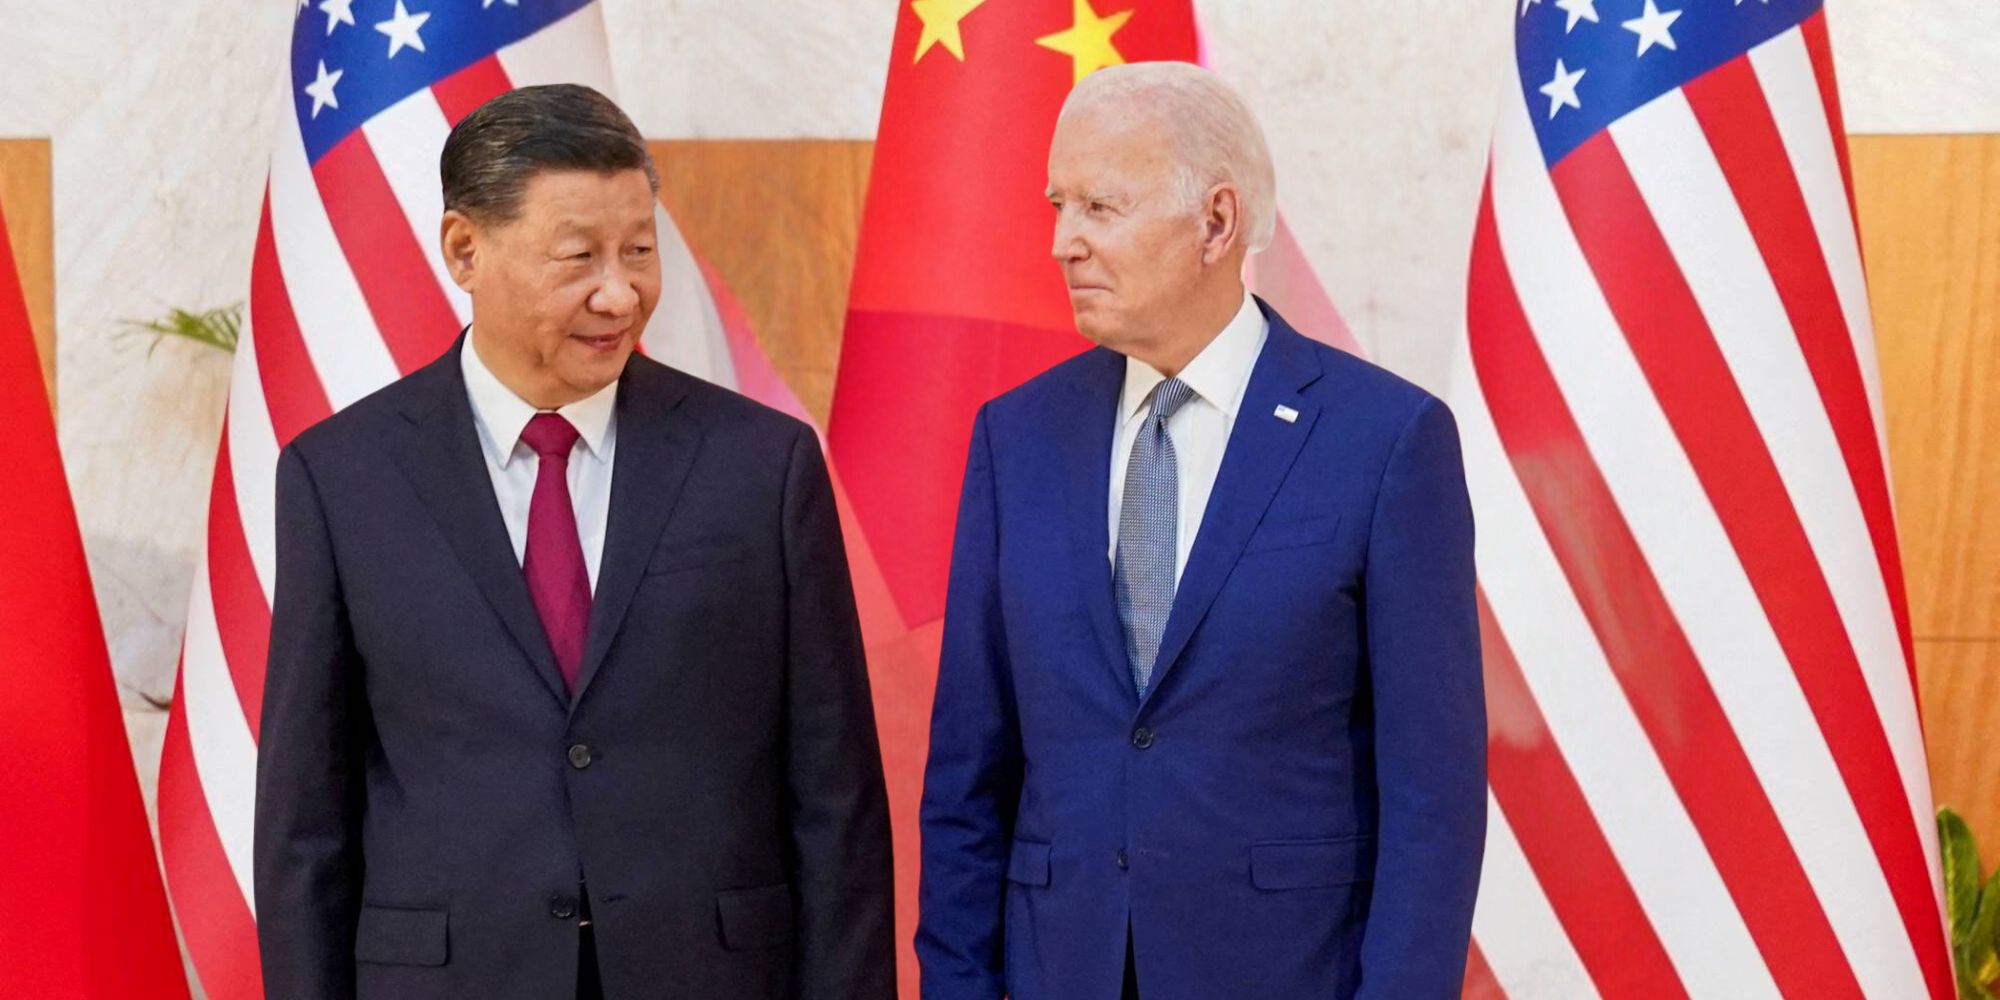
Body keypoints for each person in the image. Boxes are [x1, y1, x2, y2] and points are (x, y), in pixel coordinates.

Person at [254, 83, 895, 1000]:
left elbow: (835, 800)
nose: (620, 290)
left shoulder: (761, 465)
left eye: (639, 250)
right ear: (464, 250)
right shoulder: (339, 477)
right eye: (578, 255)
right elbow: (304, 822)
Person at [915, 62, 1485, 999]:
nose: (1064, 242)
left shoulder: (1386, 441)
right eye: (1059, 204)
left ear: (1216, 223)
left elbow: (1434, 797)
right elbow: (969, 773)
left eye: (1101, 207)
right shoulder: (1015, 438)